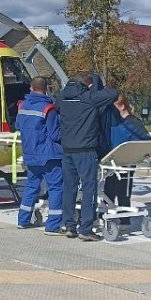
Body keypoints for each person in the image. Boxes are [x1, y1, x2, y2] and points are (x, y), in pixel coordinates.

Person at [57, 72, 118, 240]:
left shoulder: (62, 98)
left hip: (67, 150)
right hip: (85, 150)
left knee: (69, 188)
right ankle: (86, 228)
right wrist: (94, 88)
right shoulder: (89, 98)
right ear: (86, 85)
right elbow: (113, 93)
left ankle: (68, 224)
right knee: (89, 189)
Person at [14, 76, 65, 235]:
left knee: (31, 186)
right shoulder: (48, 108)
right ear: (46, 89)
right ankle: (53, 225)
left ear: (31, 88)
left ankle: (23, 220)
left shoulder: (22, 106)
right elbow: (55, 134)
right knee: (56, 187)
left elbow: (18, 125)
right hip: (48, 155)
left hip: (30, 154)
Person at [100, 96, 151, 208]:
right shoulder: (118, 122)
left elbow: (144, 140)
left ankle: (122, 213)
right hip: (114, 159)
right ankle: (109, 209)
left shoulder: (132, 123)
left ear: (122, 106)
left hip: (126, 161)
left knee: (122, 189)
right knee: (110, 187)